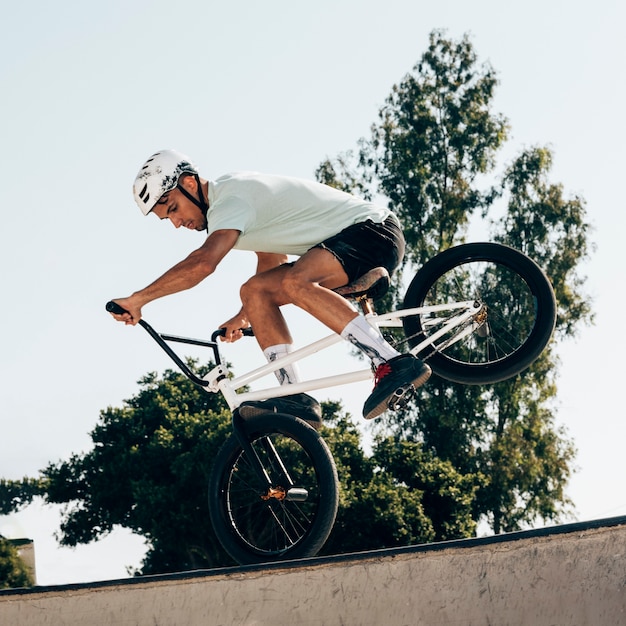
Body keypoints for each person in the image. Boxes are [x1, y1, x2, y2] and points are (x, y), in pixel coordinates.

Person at [109, 149, 431, 427]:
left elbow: (203, 263)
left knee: (295, 282)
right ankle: (293, 397)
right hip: (341, 246)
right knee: (254, 291)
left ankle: (392, 361)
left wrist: (139, 299)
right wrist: (243, 316)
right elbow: (270, 259)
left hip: (372, 232)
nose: (178, 224)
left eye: (174, 209)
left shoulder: (229, 200)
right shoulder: (232, 212)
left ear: (189, 184)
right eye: (168, 219)